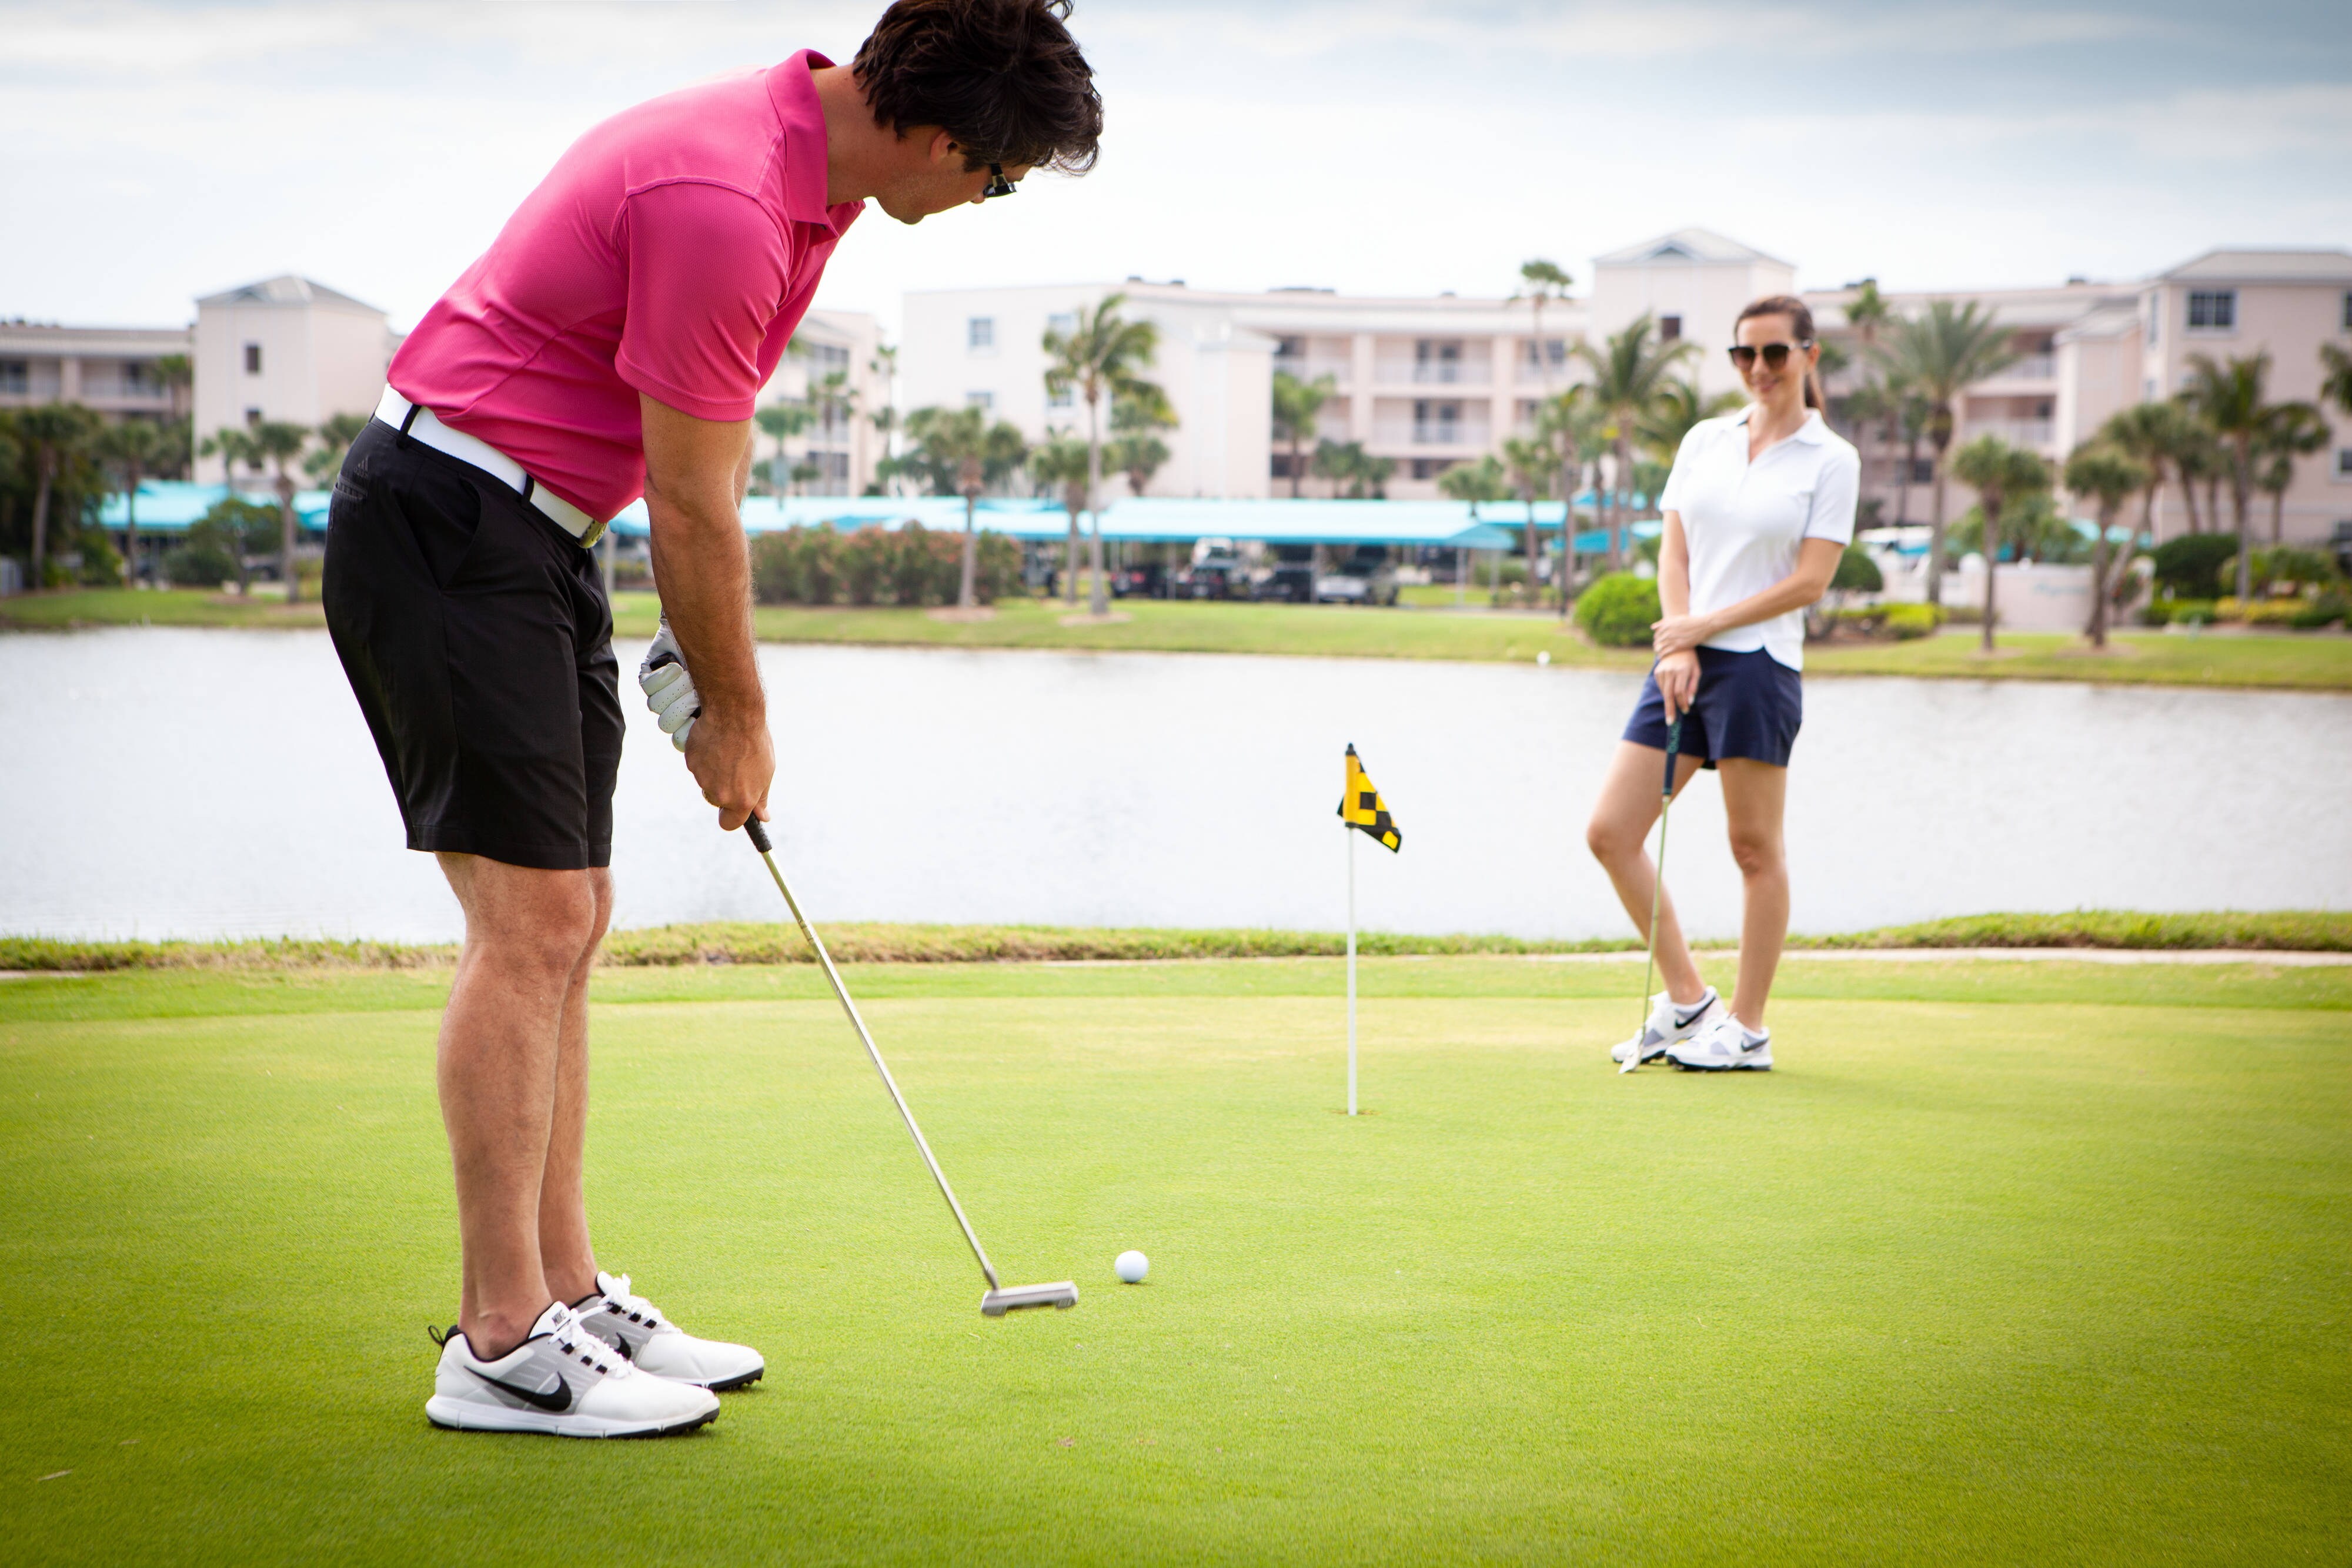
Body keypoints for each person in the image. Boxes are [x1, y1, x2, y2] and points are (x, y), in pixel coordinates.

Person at [323, 0, 1102, 1437]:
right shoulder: (731, 198)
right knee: (532, 921)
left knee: (575, 912)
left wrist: (698, 676)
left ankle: (560, 1292)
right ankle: (499, 1338)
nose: (986, 201)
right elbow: (695, 500)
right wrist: (735, 714)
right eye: (995, 179)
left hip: (533, 532)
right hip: (445, 520)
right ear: (940, 138)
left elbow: (670, 460)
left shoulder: (817, 185)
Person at [1585, 295, 1859, 1072]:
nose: (1759, 370)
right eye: (1745, 355)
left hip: (1759, 666)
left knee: (1753, 848)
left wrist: (1704, 628)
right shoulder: (1705, 439)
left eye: (1775, 353)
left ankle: (1748, 1028)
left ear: (1809, 356)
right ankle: (1688, 1002)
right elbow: (1675, 551)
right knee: (1610, 832)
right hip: (1687, 659)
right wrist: (1679, 638)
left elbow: (1810, 582)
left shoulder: (1830, 459)